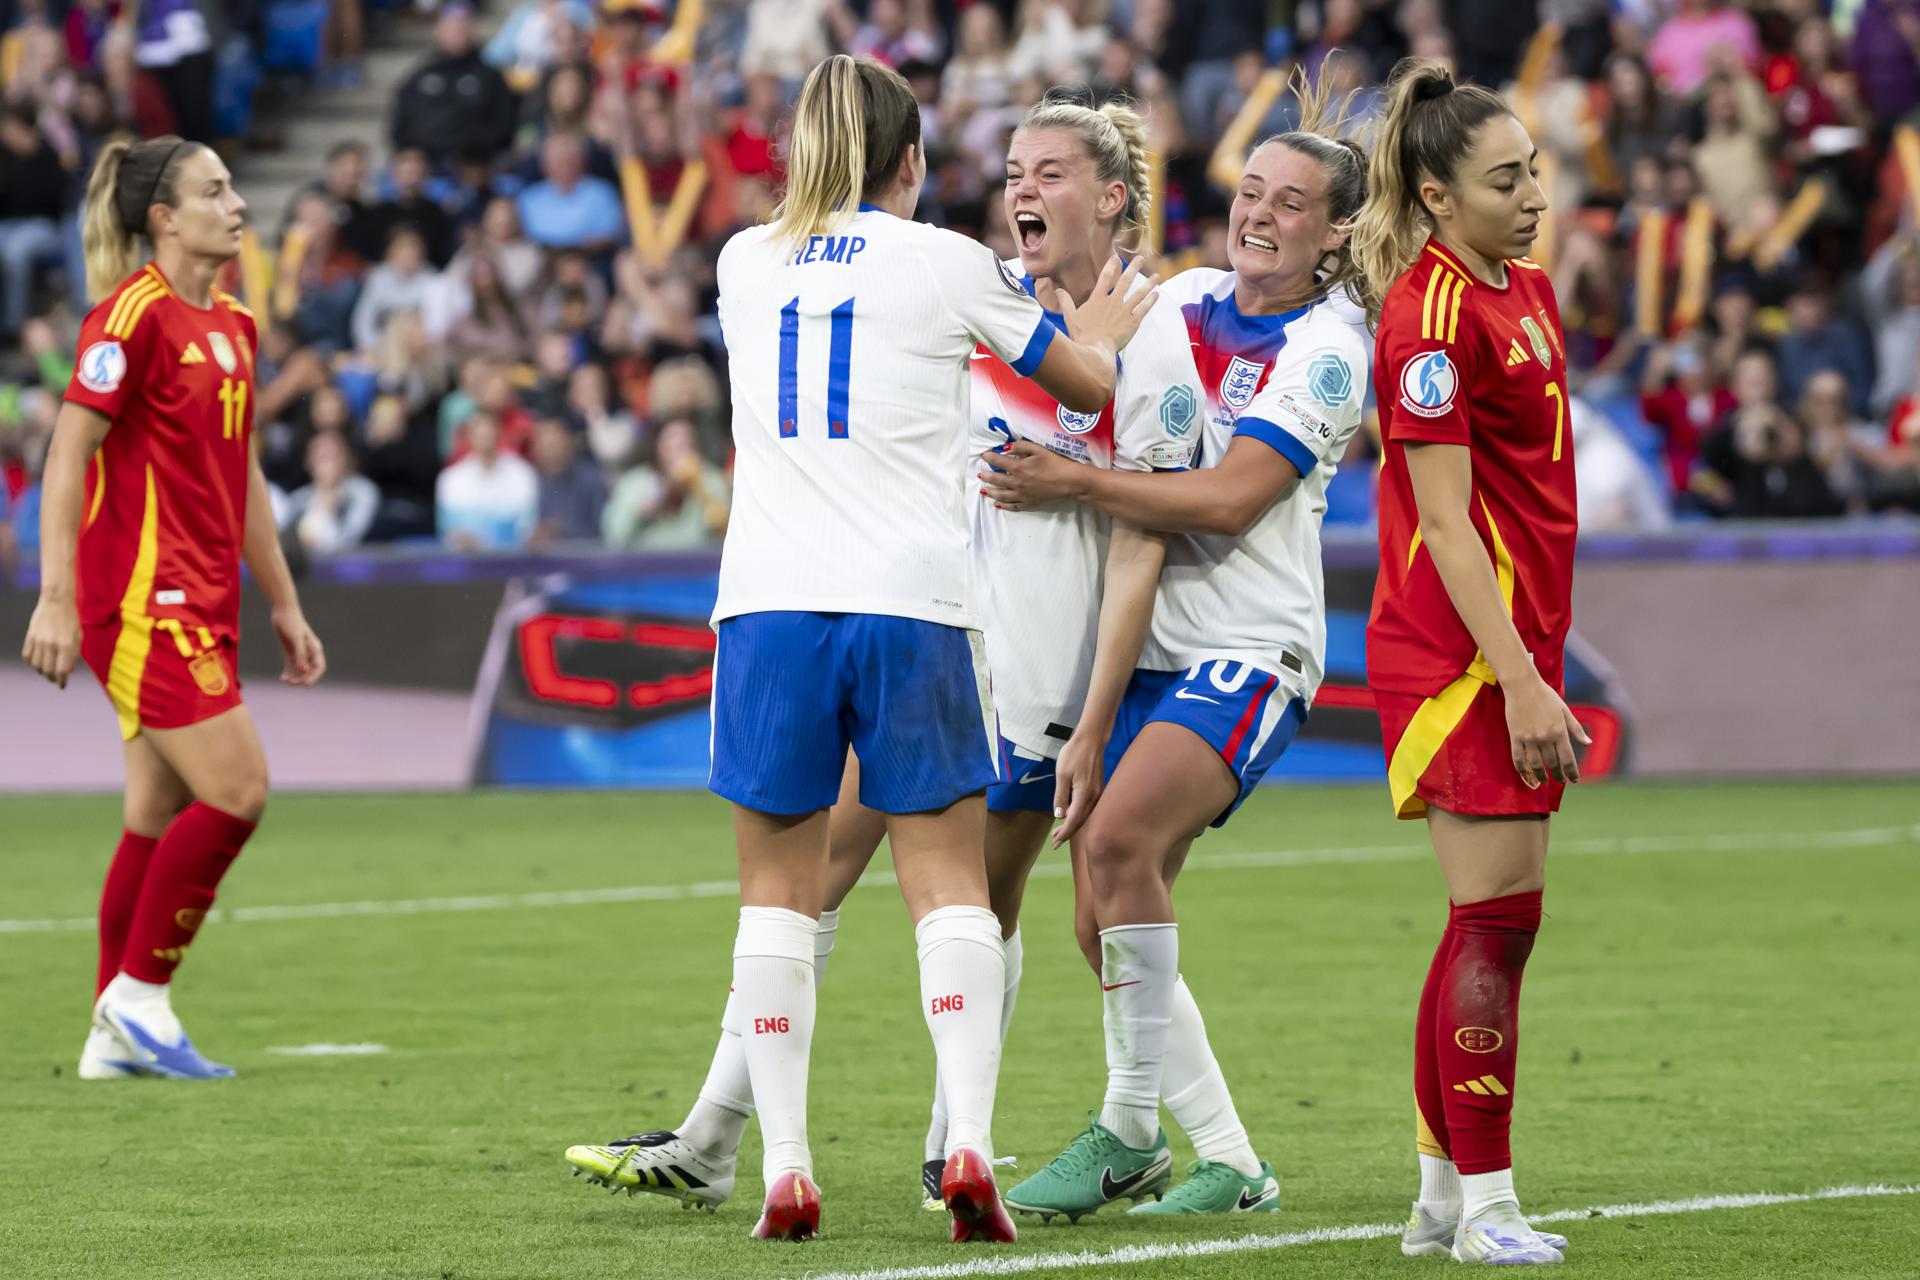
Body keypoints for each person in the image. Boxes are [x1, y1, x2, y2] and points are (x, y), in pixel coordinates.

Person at [564, 91, 1199, 1217]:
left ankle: (782, 1163)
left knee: (780, 892)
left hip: (769, 607)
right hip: (917, 607)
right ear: (911, 159)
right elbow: (1089, 384)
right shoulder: (950, 262)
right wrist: (1094, 339)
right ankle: (965, 1143)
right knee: (952, 888)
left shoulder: (740, 261)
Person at [978, 76, 1373, 1225]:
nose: (1258, 213)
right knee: (1101, 905)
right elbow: (1073, 351)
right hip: (1148, 643)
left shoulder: (1328, 347)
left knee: (1115, 838)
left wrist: (1069, 479)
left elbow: (1228, 500)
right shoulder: (1186, 294)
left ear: (1337, 230)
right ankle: (1227, 1155)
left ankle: (1128, 1129)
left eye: (1291, 202)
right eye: (1250, 190)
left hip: (1250, 649)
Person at [20, 135, 326, 1082]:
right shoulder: (129, 320)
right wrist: (58, 598)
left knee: (154, 814)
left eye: (235, 188)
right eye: (215, 191)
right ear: (164, 217)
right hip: (143, 601)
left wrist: (284, 601)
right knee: (238, 791)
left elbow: (241, 479)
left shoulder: (233, 325)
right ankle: (138, 997)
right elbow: (66, 455)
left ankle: (107, 1039)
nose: (237, 206)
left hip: (207, 599)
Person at [1348, 59, 1581, 1266]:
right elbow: (1444, 523)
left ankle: (1444, 1189)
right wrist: (1527, 679)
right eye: (1505, 178)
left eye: (1533, 168)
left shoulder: (1526, 286)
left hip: (1513, 644)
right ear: (1436, 198)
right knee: (1496, 922)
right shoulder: (1425, 319)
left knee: (1490, 920)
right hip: (1461, 656)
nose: (1532, 193)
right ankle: (1488, 1201)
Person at [436, 410, 539, 549]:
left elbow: (527, 529)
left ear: (500, 434)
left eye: (489, 435)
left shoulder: (523, 474)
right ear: (468, 437)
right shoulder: (450, 480)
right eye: (480, 436)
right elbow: (448, 533)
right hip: (466, 564)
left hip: (512, 563)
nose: (485, 442)